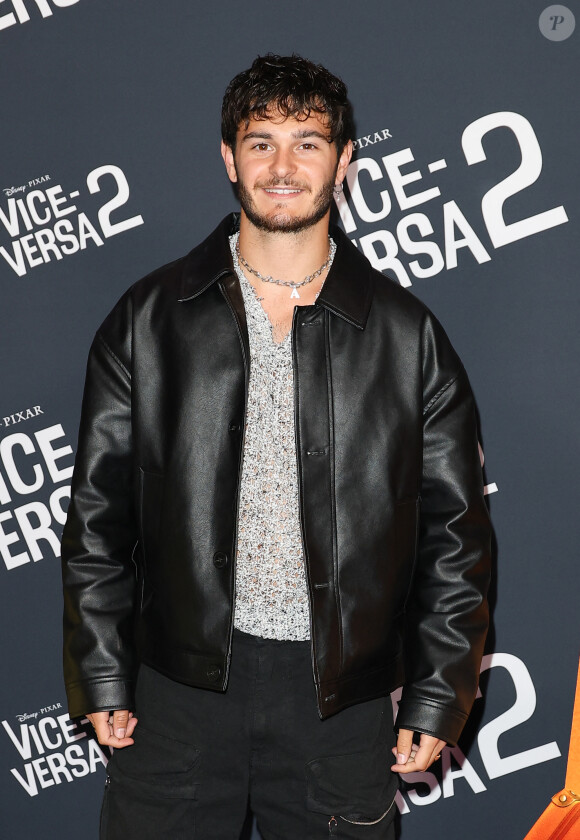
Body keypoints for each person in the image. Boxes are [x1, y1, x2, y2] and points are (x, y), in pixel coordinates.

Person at [62, 54, 491, 839]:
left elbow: (456, 540)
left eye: (308, 142)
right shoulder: (150, 319)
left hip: (340, 704)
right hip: (176, 694)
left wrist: (437, 695)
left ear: (346, 160)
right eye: (261, 143)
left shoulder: (407, 337)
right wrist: (100, 669)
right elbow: (97, 518)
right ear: (229, 158)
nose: (283, 166)